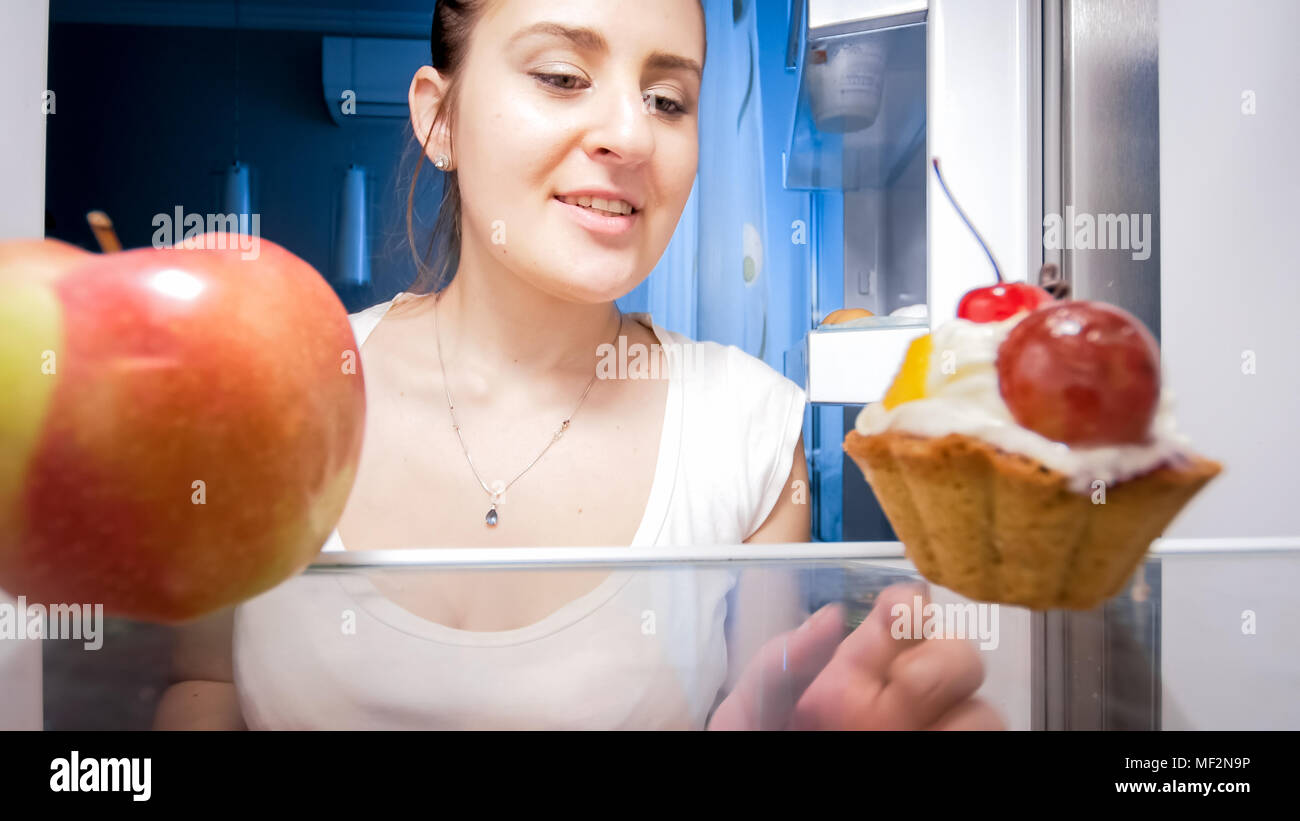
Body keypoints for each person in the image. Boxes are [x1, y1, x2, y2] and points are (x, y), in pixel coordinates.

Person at [154, 0, 1002, 731]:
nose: (632, 135)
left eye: (669, 99)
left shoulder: (747, 429)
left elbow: (755, 706)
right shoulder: (270, 388)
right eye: (562, 76)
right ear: (438, 117)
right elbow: (203, 684)